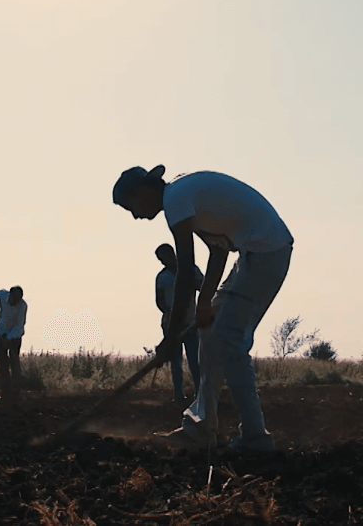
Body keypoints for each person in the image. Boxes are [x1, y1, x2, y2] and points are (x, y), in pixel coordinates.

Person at [113, 165, 294, 452]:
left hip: (266, 252)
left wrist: (171, 338)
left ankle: (255, 438)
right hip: (254, 254)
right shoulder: (181, 195)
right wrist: (204, 302)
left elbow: (185, 272)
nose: (135, 215)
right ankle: (200, 428)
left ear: (142, 191)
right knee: (210, 335)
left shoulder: (175, 201)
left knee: (229, 338)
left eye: (131, 206)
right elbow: (219, 250)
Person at [155, 243, 203, 403]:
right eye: (160, 259)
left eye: (164, 257)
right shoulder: (162, 277)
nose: (163, 261)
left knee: (194, 360)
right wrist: (170, 312)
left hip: (190, 323)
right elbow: (159, 300)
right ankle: (178, 395)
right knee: (175, 361)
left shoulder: (191, 270)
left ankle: (199, 393)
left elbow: (203, 287)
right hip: (171, 325)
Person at [0, 286, 27, 399]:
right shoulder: (3, 295)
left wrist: (8, 338)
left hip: (14, 338)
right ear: (10, 295)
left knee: (14, 362)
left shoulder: (23, 306)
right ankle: (5, 392)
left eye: (17, 299)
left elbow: (19, 326)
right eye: (14, 298)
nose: (15, 301)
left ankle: (16, 392)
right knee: (2, 363)